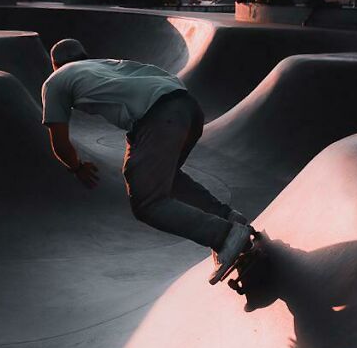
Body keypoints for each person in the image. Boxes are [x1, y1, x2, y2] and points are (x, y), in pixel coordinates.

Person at [41, 38, 251, 284]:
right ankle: (229, 218)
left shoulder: (55, 81)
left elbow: (60, 142)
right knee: (165, 179)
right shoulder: (107, 64)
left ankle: (224, 236)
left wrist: (76, 167)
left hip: (157, 118)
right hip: (188, 107)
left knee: (147, 202)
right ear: (86, 55)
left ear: (55, 65)